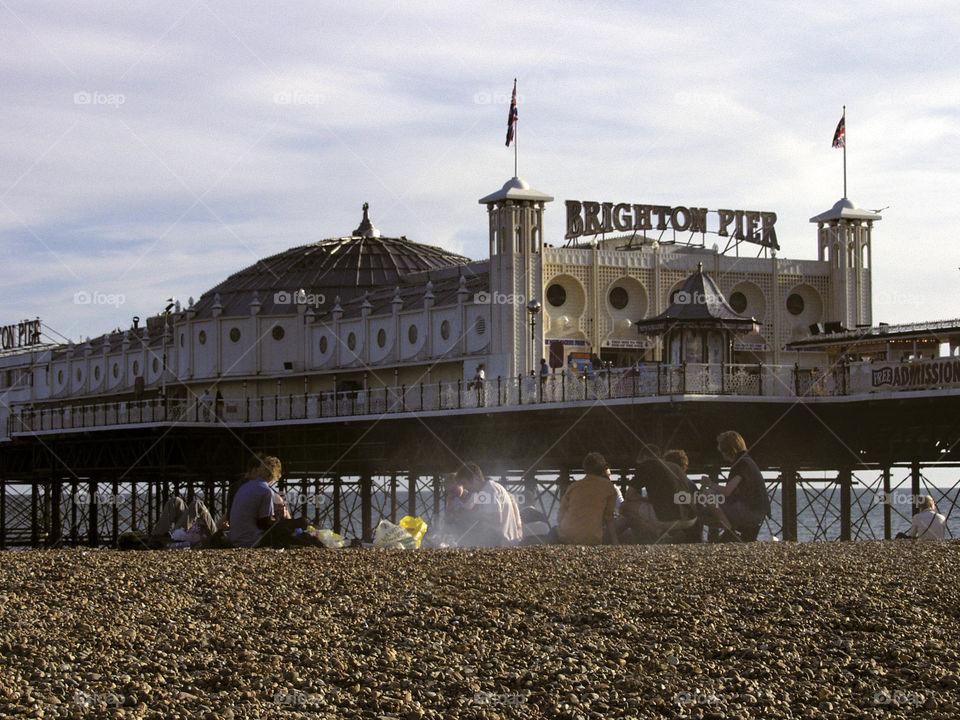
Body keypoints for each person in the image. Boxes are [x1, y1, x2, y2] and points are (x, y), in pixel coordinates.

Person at [700, 431, 770, 541]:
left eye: (722, 451)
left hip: (752, 513)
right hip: (757, 513)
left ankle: (730, 532)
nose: (722, 455)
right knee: (703, 514)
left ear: (728, 450)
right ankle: (739, 531)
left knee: (707, 495)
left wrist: (710, 484)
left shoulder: (742, 464)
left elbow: (728, 491)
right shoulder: (747, 461)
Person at [619, 456, 699, 544]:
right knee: (665, 509)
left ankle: (660, 534)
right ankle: (674, 533)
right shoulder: (676, 467)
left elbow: (629, 495)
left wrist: (642, 499)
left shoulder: (645, 465)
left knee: (624, 507)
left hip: (666, 519)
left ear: (641, 460)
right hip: (690, 519)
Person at [556, 452, 619, 545]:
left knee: (553, 532)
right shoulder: (609, 487)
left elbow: (560, 516)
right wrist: (615, 541)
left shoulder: (574, 486)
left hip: (566, 536)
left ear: (584, 468)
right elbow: (608, 518)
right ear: (602, 469)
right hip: (592, 539)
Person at [454, 462, 522, 546]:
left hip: (502, 544)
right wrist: (467, 512)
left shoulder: (489, 490)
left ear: (474, 478)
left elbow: (497, 519)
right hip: (501, 542)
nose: (464, 488)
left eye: (464, 483)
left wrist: (470, 513)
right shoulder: (485, 490)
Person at [228, 455, 283, 547]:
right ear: (275, 476)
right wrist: (278, 522)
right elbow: (264, 524)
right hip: (252, 540)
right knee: (286, 531)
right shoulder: (266, 491)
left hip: (235, 538)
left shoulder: (244, 487)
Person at [151, 495, 217, 541]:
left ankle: (180, 532)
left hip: (214, 535)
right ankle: (157, 534)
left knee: (197, 504)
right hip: (199, 531)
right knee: (176, 501)